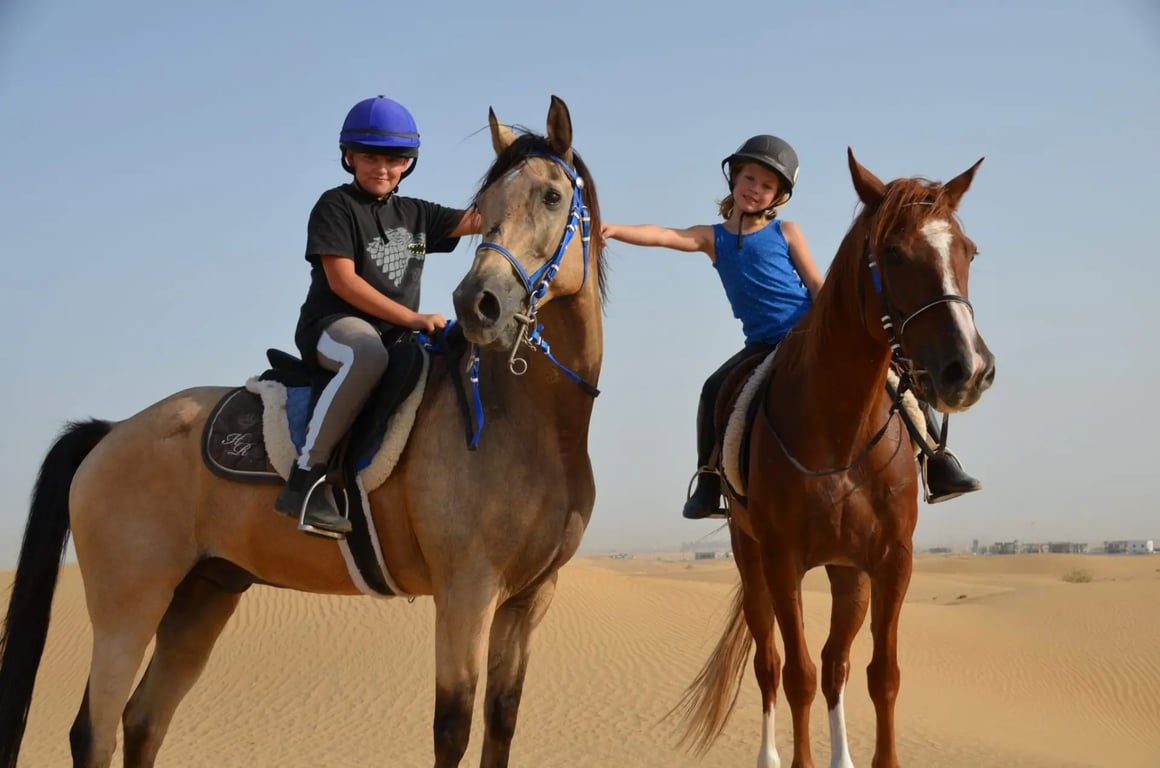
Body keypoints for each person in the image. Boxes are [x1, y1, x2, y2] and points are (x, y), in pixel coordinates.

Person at [601, 135, 981, 520]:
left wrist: (833, 327)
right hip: (764, 343)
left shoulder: (786, 232)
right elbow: (664, 234)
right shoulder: (711, 238)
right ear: (734, 179)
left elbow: (817, 286)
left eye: (767, 186)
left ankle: (937, 460)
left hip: (810, 334)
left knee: (895, 377)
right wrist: (614, 229)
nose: (756, 190)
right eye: (750, 179)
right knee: (713, 388)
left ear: (778, 196)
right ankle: (709, 479)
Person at [274, 95, 481, 536]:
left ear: (409, 163)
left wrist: (529, 182)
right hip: (336, 328)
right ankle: (306, 481)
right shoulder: (335, 206)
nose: (381, 168)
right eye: (369, 156)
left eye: (394, 158)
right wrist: (412, 319)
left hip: (398, 338)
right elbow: (342, 282)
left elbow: (483, 219)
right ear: (348, 156)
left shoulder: (418, 218)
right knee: (367, 356)